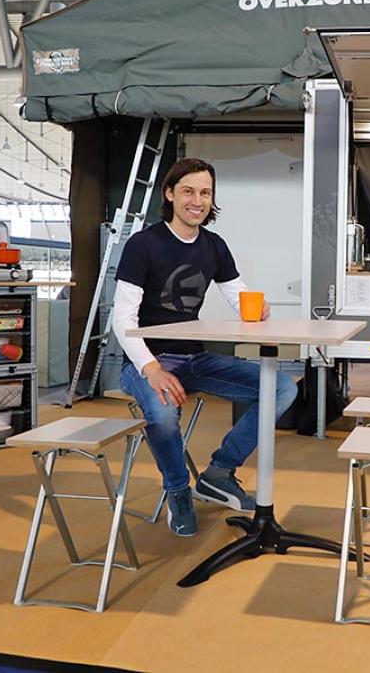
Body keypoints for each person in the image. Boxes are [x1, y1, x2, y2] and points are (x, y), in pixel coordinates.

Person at [113, 158, 298, 537]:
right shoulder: (143, 245)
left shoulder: (214, 246)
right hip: (147, 362)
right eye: (188, 191)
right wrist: (152, 369)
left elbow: (238, 295)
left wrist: (257, 310)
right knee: (163, 414)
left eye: (205, 193)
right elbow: (122, 319)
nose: (197, 201)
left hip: (194, 358)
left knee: (282, 388)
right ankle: (178, 491)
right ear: (170, 194)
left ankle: (218, 473)